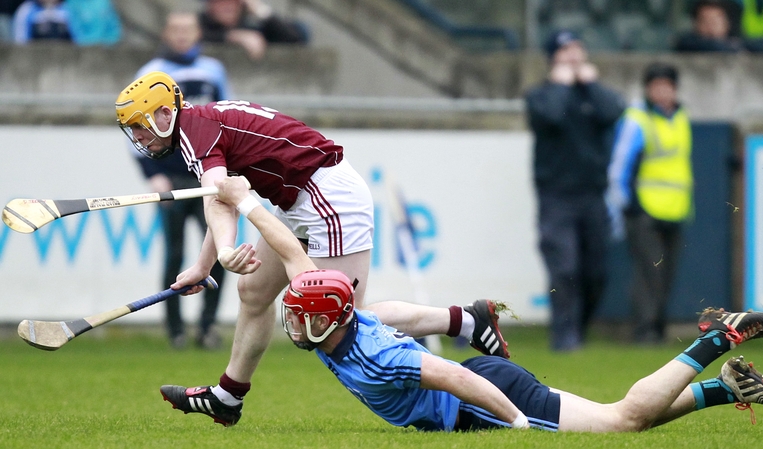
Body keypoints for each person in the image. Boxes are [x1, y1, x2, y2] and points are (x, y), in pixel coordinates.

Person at [162, 176, 763, 431]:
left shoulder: (373, 354)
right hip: (479, 381)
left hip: (486, 397)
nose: (293, 322)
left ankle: (719, 338)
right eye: (297, 316)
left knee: (622, 420)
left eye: (302, 317)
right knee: (628, 416)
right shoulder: (337, 309)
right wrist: (244, 201)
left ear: (330, 318)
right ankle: (729, 389)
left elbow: (452, 375)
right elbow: (290, 251)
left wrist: (518, 428)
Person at [115, 70, 510, 424]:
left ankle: (466, 320)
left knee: (346, 319)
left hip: (328, 198)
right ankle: (228, 396)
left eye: (140, 127)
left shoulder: (195, 130)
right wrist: (206, 264)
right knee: (252, 292)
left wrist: (222, 252)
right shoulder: (199, 126)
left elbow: (219, 197)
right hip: (299, 201)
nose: (138, 138)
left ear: (165, 114)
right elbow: (224, 193)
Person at [130, 12, 231, 350]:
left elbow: (224, 116)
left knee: (218, 254)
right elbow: (135, 130)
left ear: (198, 32)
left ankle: (207, 327)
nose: (182, 35)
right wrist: (152, 173)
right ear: (166, 33)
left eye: (188, 29)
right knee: (175, 256)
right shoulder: (150, 73)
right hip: (172, 178)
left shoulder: (213, 70)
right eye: (176, 29)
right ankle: (174, 329)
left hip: (207, 177)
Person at [524, 29, 627, 352]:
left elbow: (614, 111)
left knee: (596, 271)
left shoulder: (593, 96)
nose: (573, 56)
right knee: (564, 267)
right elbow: (551, 115)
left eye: (577, 49)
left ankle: (579, 329)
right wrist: (560, 84)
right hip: (556, 195)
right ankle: (564, 337)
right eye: (565, 50)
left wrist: (591, 84)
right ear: (552, 58)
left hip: (593, 195)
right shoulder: (541, 95)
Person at [606, 63, 693, 345]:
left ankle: (658, 329)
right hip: (645, 209)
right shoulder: (637, 119)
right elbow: (619, 166)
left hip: (676, 208)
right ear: (647, 89)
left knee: (667, 275)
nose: (662, 91)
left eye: (667, 85)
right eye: (656, 85)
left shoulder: (680, 117)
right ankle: (645, 331)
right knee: (649, 274)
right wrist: (626, 205)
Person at [199, 0, 309, 60]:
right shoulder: (200, 23)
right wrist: (233, 36)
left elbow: (296, 39)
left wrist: (262, 11)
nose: (228, 6)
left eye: (234, 1)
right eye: (220, 1)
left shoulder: (253, 25)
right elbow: (194, 37)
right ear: (209, 4)